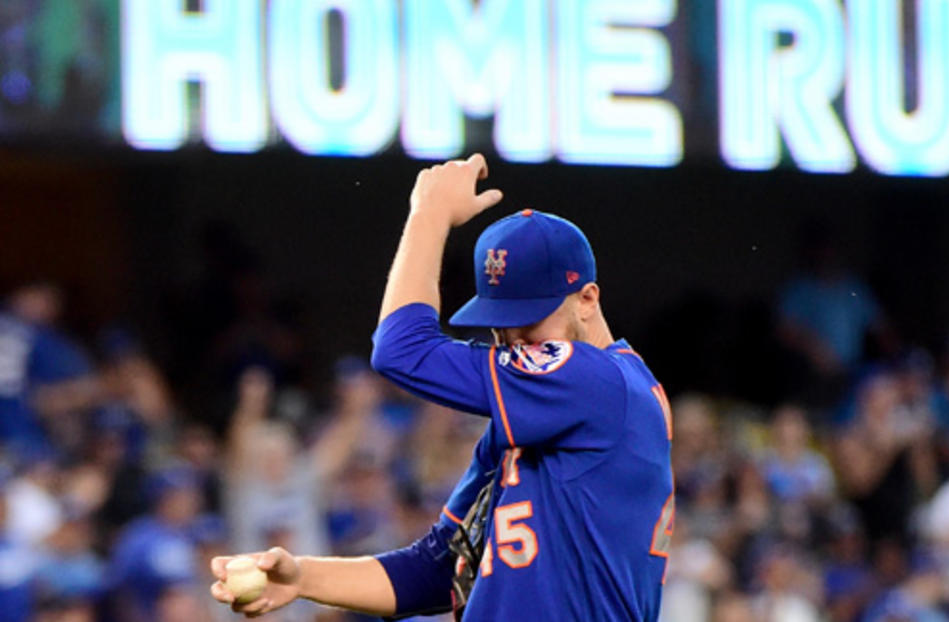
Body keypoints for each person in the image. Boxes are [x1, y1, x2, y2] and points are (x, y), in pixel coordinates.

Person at [210, 155, 675, 621]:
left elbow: (401, 350)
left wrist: (428, 215)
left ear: (587, 299)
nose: (511, 339)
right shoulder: (529, 422)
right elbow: (435, 570)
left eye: (528, 319)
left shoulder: (598, 380)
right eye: (499, 323)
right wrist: (304, 579)